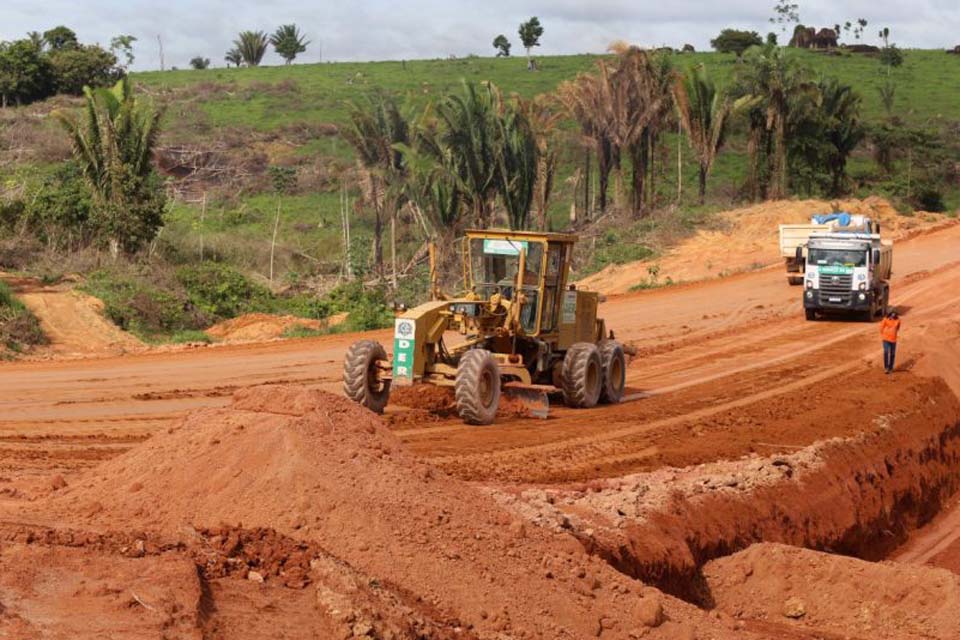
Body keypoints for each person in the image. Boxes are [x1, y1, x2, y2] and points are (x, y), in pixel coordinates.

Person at [880, 309, 901, 374]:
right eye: (892, 313)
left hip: (893, 339)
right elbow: (881, 328)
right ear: (890, 313)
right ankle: (886, 368)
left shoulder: (898, 320)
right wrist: (884, 334)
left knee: (892, 354)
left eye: (894, 313)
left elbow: (898, 328)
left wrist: (893, 333)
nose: (893, 315)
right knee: (886, 352)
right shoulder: (885, 319)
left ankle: (891, 368)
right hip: (886, 339)